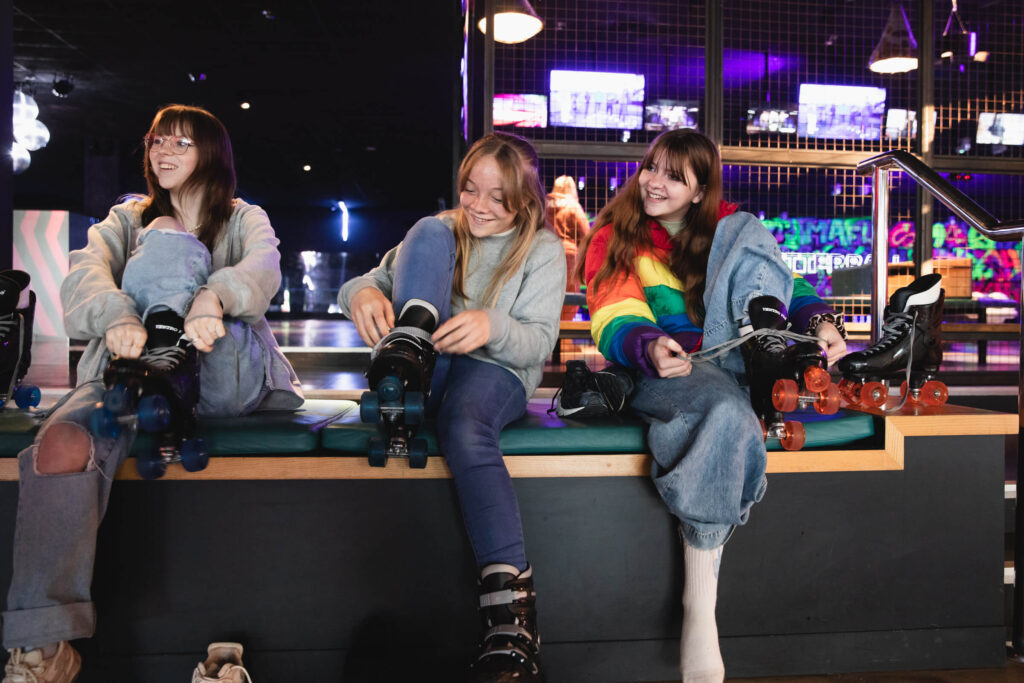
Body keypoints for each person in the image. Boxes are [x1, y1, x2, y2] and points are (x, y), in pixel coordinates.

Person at [1, 104, 303, 683]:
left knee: (167, 237)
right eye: (157, 140)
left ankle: (168, 357)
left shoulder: (244, 218)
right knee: (60, 444)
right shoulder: (126, 218)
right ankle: (43, 649)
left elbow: (264, 270)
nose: (163, 150)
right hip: (128, 373)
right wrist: (116, 314)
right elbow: (83, 277)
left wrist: (214, 296)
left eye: (181, 143)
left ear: (211, 153)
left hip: (218, 372)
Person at [577, 129, 846, 683]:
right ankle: (700, 609)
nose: (654, 182)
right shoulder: (615, 235)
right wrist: (649, 345)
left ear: (701, 191)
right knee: (726, 413)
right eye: (652, 167)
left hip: (734, 351)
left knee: (746, 230)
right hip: (668, 367)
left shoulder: (732, 231)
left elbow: (785, 282)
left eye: (674, 176)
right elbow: (612, 310)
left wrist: (821, 322)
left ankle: (767, 343)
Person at [338, 132, 564, 682]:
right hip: (432, 364)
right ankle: (408, 349)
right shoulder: (440, 230)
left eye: (497, 197)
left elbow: (538, 342)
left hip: (497, 371)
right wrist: (360, 294)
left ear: (524, 200)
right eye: (470, 190)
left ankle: (512, 615)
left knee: (464, 427)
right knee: (427, 229)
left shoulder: (542, 249)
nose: (478, 206)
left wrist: (492, 325)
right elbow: (369, 281)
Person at [545, 175, 591, 320]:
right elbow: (585, 235)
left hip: (545, 253)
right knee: (569, 296)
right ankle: (564, 330)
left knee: (545, 293)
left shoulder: (542, 205)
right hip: (568, 257)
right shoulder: (573, 206)